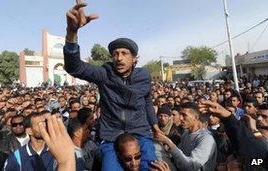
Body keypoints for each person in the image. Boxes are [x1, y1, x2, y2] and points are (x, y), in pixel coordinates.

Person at [64, 1, 160, 170]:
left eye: (124, 53)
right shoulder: (105, 74)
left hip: (140, 133)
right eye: (115, 54)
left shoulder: (144, 76)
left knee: (151, 167)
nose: (119, 58)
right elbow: (75, 67)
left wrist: (155, 127)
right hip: (111, 136)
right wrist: (72, 32)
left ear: (135, 58)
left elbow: (147, 101)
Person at [156, 102, 217, 171]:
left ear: (196, 117)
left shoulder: (206, 139)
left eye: (184, 115)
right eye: (180, 115)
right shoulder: (186, 133)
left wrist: (169, 142)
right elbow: (179, 156)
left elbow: (190, 166)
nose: (181, 118)